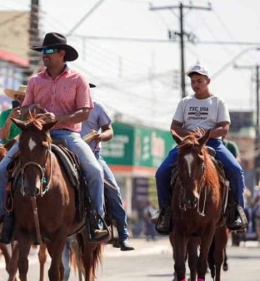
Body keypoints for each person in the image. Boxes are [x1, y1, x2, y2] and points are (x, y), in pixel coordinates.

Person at [0, 32, 108, 244]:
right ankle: (6, 219)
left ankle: (96, 220)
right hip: (36, 135)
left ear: (62, 54)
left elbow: (84, 112)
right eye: (42, 51)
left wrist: (59, 118)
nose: (44, 55)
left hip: (68, 134)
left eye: (48, 51)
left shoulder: (78, 79)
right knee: (0, 171)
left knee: (94, 170)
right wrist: (32, 109)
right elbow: (24, 109)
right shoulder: (35, 80)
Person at [155, 64, 247, 234]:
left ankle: (238, 211)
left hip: (212, 143)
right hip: (188, 145)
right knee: (161, 173)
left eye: (199, 81)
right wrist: (190, 133)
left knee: (236, 170)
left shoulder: (218, 102)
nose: (196, 84)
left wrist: (207, 133)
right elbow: (174, 127)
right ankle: (166, 212)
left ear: (208, 81)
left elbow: (224, 128)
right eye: (193, 81)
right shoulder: (185, 102)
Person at [81, 85, 134, 251]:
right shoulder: (67, 106)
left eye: (85, 88)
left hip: (93, 156)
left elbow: (109, 130)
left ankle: (121, 234)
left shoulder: (97, 107)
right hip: (69, 153)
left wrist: (101, 136)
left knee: (113, 189)